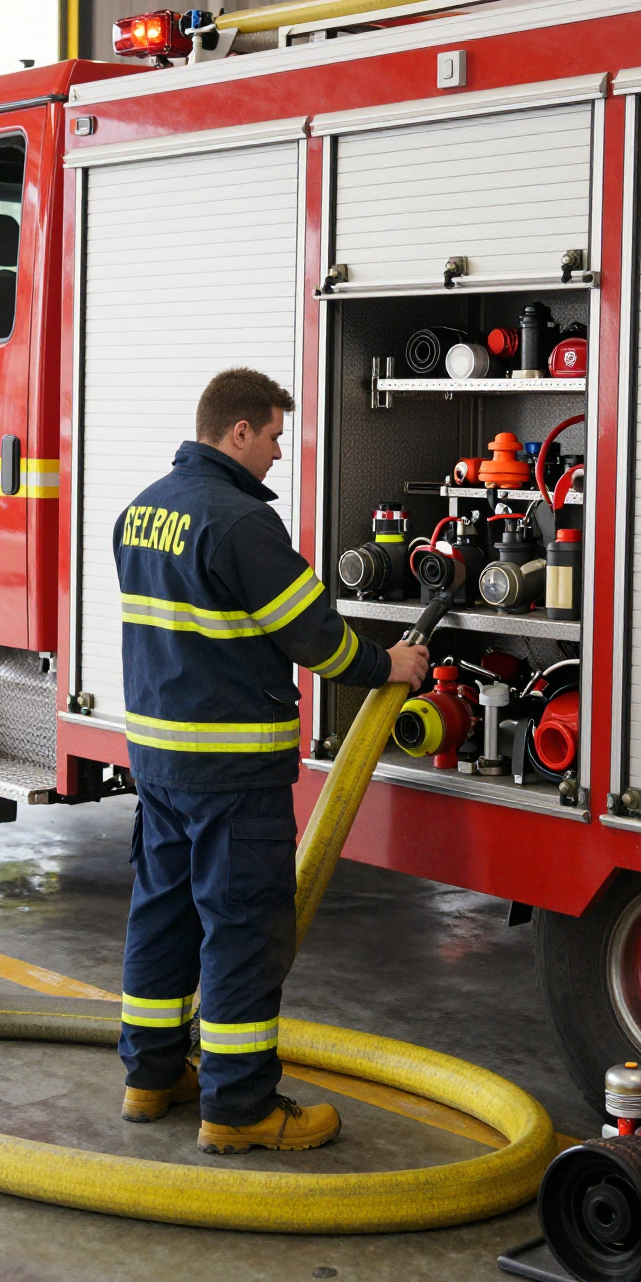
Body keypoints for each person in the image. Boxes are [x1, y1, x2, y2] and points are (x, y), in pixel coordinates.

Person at [113, 366, 430, 1154]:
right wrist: (390, 666)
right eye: (276, 436)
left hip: (158, 762)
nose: (281, 454)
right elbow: (314, 637)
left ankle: (150, 1078)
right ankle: (240, 1107)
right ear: (239, 432)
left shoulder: (141, 512)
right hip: (232, 770)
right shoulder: (241, 524)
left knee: (163, 911)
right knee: (243, 930)